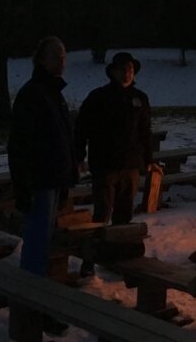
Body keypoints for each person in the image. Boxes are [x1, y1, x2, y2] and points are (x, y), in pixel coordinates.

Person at [74, 51, 154, 276]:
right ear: (114, 72)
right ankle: (89, 260)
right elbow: (82, 128)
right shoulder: (98, 97)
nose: (127, 72)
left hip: (130, 165)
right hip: (105, 164)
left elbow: (145, 132)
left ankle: (119, 258)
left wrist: (148, 160)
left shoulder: (139, 98)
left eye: (130, 68)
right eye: (123, 68)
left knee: (124, 213)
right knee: (101, 214)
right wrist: (79, 156)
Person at [7, 36, 79, 278]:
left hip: (55, 178)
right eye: (56, 57)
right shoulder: (33, 94)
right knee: (37, 240)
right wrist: (23, 186)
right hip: (40, 180)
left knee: (45, 237)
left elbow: (64, 135)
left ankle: (37, 289)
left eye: (64, 57)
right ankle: (30, 295)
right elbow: (20, 144)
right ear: (41, 60)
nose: (61, 62)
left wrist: (70, 171)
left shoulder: (53, 92)